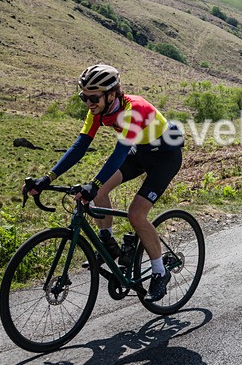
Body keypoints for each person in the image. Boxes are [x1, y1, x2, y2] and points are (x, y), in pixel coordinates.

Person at [24, 64, 184, 302]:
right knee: (99, 192)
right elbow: (79, 147)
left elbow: (119, 152)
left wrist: (95, 184)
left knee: (136, 214)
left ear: (111, 94)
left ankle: (160, 272)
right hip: (140, 150)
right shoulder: (98, 111)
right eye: (84, 97)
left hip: (165, 156)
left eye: (93, 97)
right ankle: (108, 243)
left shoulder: (134, 109)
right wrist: (48, 178)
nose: (88, 103)